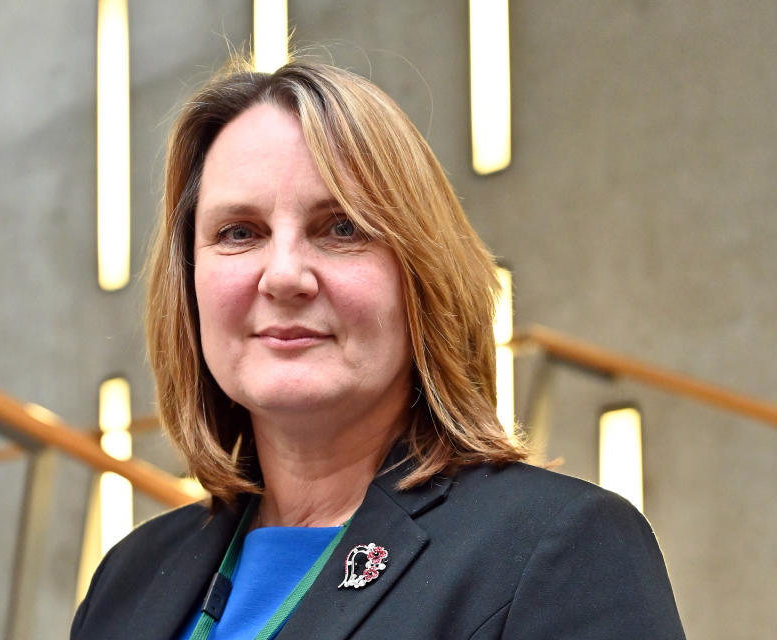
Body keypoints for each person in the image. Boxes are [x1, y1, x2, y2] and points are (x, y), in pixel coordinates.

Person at [71, 60, 686, 640]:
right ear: (191, 283)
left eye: (342, 228)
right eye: (239, 233)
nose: (284, 275)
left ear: (420, 276)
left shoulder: (561, 548)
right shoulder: (126, 578)